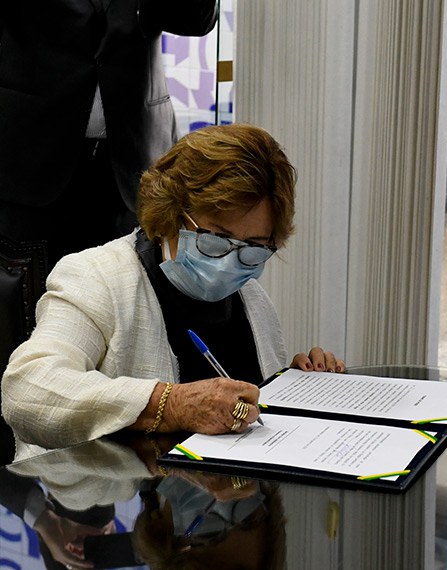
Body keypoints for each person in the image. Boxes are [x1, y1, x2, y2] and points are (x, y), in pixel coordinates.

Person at [1, 123, 345, 452]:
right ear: (171, 216)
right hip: (122, 487)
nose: (231, 262)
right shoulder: (96, 278)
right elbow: (28, 391)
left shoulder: (252, 298)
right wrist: (170, 405)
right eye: (216, 240)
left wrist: (294, 387)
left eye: (254, 248)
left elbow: (251, 415)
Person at [0, 1, 219, 271]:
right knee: (25, 286)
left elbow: (195, 20)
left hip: (131, 161)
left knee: (125, 285)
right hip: (30, 159)